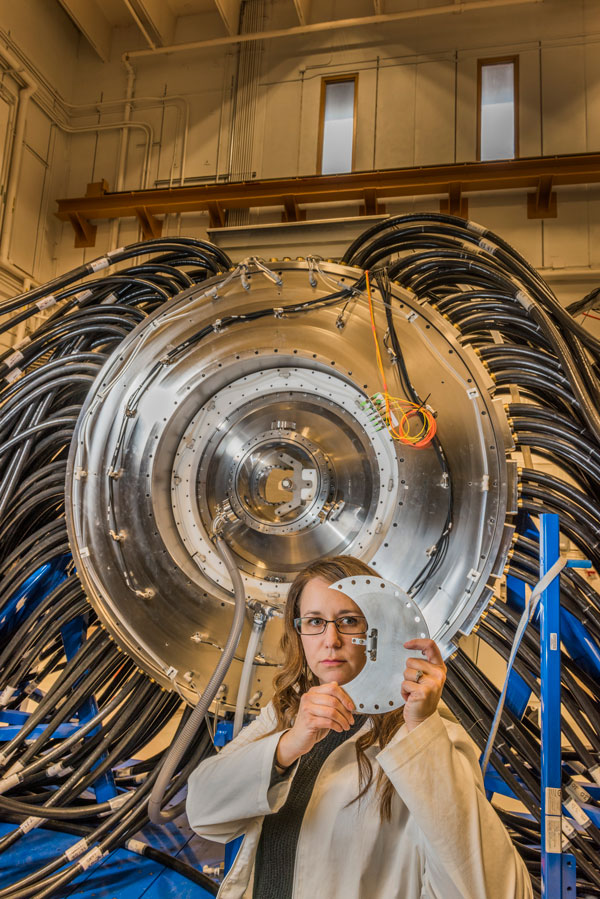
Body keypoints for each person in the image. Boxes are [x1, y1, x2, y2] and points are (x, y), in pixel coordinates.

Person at [187, 556, 533, 899]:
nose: (331, 639)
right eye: (314, 621)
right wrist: (287, 746)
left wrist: (421, 729)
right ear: (299, 633)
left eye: (349, 621)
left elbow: (492, 891)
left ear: (380, 629)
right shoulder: (284, 716)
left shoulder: (422, 739)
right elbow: (202, 811)